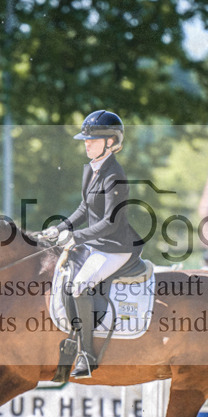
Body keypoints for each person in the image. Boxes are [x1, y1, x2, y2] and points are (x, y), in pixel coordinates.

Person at [40, 110, 143, 378]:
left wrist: (76, 237)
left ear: (111, 142)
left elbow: (110, 222)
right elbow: (84, 208)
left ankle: (87, 354)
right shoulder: (91, 169)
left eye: (93, 140)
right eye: (85, 139)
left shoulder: (114, 175)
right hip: (95, 243)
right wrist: (59, 228)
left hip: (114, 247)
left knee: (79, 286)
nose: (86, 143)